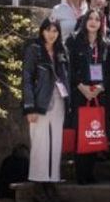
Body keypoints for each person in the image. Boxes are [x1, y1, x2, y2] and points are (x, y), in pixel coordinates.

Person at [68, 9, 110, 185]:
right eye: (91, 18)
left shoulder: (107, 44)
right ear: (85, 21)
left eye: (97, 19)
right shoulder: (73, 40)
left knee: (95, 133)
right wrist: (81, 86)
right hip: (81, 93)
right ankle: (81, 174)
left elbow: (109, 71)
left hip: (99, 95)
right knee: (82, 133)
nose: (93, 22)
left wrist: (100, 87)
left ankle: (91, 172)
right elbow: (69, 67)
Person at [21, 17, 68, 185]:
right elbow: (26, 79)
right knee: (40, 141)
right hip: (39, 101)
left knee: (56, 141)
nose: (51, 34)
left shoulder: (61, 50)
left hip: (59, 100)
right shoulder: (34, 49)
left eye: (55, 31)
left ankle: (53, 178)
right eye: (48, 30)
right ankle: (39, 180)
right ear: (42, 31)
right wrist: (29, 107)